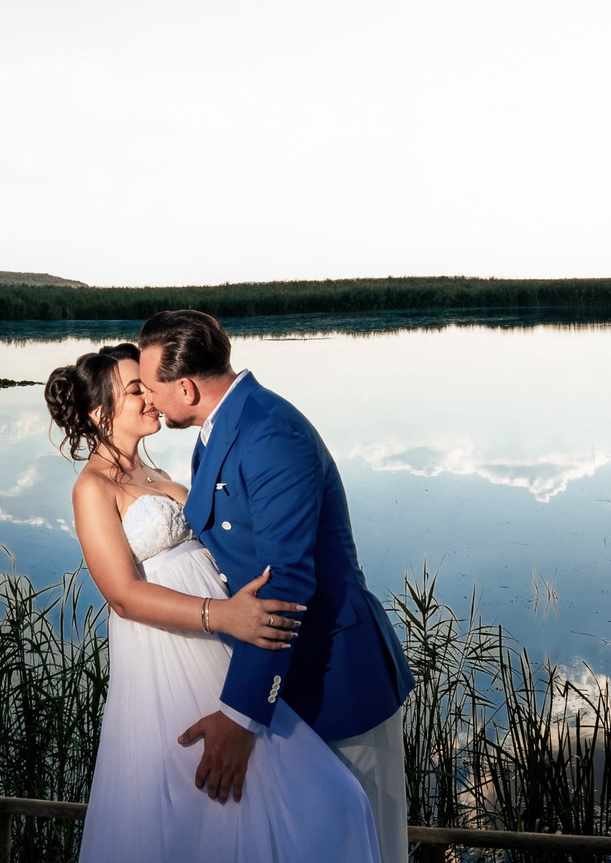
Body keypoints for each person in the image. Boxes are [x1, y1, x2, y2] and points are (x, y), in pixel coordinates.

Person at [48, 342, 381, 862]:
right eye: (136, 390)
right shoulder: (92, 488)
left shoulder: (160, 474)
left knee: (325, 801)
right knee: (207, 803)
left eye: (148, 386)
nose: (151, 397)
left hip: (222, 648)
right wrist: (219, 614)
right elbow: (123, 595)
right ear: (100, 413)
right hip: (171, 655)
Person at [133, 310, 415, 863]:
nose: (148, 399)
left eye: (151, 387)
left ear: (186, 387)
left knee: (367, 843)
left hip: (335, 679)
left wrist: (240, 716)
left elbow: (284, 581)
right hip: (281, 681)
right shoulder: (218, 427)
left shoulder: (270, 433)